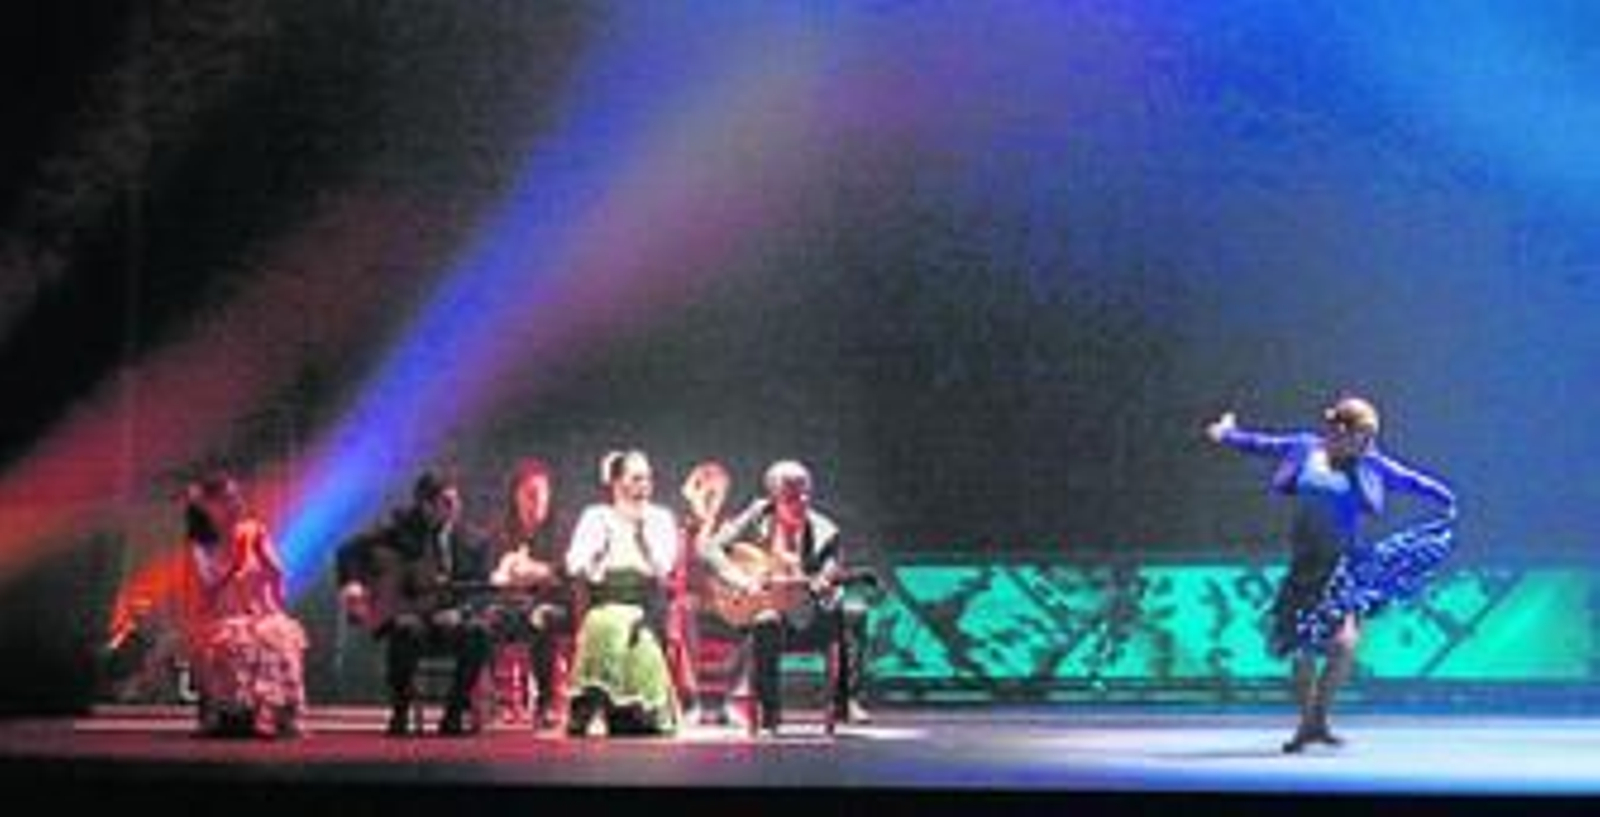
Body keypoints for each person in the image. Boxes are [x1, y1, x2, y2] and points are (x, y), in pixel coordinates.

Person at [1206, 395, 1457, 753]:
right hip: (1307, 562)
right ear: (1342, 429)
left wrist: (1444, 496)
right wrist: (1228, 433)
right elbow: (1261, 444)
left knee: (1343, 644)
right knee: (1300, 645)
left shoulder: (1369, 464)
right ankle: (1308, 724)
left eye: (1368, 438)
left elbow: (1407, 479)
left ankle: (1318, 719)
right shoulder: (1305, 449)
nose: (1364, 443)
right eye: (1360, 434)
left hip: (1345, 564)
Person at [699, 460, 872, 735]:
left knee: (852, 613)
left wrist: (822, 584)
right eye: (792, 496)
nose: (801, 502)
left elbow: (828, 576)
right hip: (760, 609)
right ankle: (770, 713)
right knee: (766, 621)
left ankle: (844, 700)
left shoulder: (826, 533)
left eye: (806, 494)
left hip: (809, 616)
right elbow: (710, 550)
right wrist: (741, 580)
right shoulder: (758, 514)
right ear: (774, 497)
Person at [335, 470, 494, 736]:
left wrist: (461, 611)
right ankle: (401, 710)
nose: (454, 508)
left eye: (456, 500)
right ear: (425, 505)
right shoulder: (400, 527)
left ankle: (453, 713)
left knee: (479, 632)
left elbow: (482, 591)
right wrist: (352, 584)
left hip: (453, 622)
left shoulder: (474, 540)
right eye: (445, 502)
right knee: (405, 629)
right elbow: (348, 551)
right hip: (414, 617)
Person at [178, 473, 308, 738]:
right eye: (227, 498)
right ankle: (221, 714)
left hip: (257, 610)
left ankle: (269, 715)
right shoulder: (202, 543)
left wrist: (270, 574)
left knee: (274, 636)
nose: (235, 503)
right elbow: (210, 585)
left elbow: (276, 572)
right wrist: (236, 562)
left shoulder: (253, 530)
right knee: (230, 640)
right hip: (221, 613)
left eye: (236, 497)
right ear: (210, 506)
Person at [563, 450, 682, 737]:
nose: (645, 486)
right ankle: (591, 700)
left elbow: (664, 569)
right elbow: (573, 563)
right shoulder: (597, 516)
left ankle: (614, 706)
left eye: (648, 479)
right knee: (604, 623)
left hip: (646, 604)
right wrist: (596, 557)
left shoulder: (660, 518)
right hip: (604, 600)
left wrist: (643, 541)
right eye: (636, 479)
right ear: (616, 483)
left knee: (622, 626)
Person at [487, 458, 570, 731]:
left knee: (541, 618)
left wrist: (537, 571)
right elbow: (493, 575)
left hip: (551, 607)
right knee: (480, 623)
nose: (538, 502)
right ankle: (491, 700)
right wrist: (511, 573)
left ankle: (546, 703)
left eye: (543, 495)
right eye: (531, 495)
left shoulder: (562, 531)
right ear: (516, 497)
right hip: (508, 607)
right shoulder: (500, 531)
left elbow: (566, 573)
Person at [670, 459, 750, 727]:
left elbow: (737, 567)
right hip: (690, 602)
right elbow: (681, 570)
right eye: (704, 492)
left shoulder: (729, 528)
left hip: (723, 602)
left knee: (761, 618)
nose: (710, 499)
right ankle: (693, 701)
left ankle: (727, 700)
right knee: (684, 610)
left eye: (716, 494)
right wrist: (702, 521)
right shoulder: (681, 528)